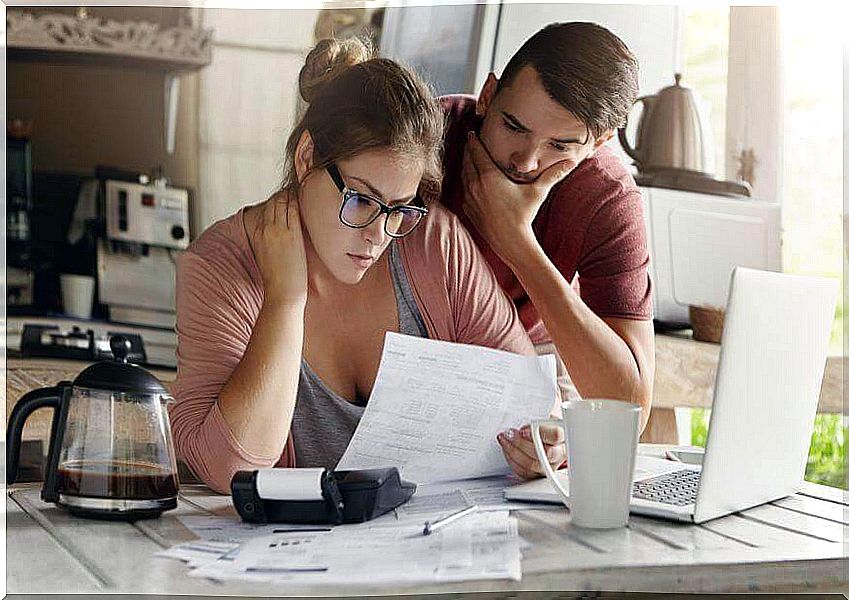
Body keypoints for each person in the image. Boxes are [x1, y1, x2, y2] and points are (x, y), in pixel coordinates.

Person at [169, 38, 565, 494]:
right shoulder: (220, 267)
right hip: (283, 559)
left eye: (400, 207)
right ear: (305, 159)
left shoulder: (433, 241)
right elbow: (230, 468)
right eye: (360, 199)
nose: (379, 233)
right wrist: (284, 299)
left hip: (427, 549)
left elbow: (528, 400)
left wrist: (545, 444)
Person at [439, 22, 655, 441]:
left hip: (531, 359)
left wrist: (516, 242)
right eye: (513, 127)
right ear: (487, 95)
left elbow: (628, 409)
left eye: (559, 146)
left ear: (599, 143)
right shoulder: (426, 133)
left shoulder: (606, 195)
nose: (525, 161)